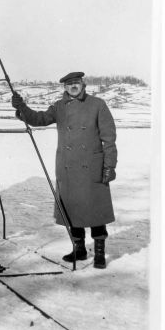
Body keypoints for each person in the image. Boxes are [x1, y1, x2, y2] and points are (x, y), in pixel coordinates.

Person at [11, 72, 117, 269]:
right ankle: (79, 249)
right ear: (65, 87)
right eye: (69, 84)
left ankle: (99, 253)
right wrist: (22, 107)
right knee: (71, 209)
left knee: (96, 210)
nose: (73, 86)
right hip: (67, 167)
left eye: (76, 83)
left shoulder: (98, 104)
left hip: (91, 166)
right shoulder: (59, 106)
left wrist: (109, 166)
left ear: (83, 84)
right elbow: (39, 119)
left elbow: (109, 139)